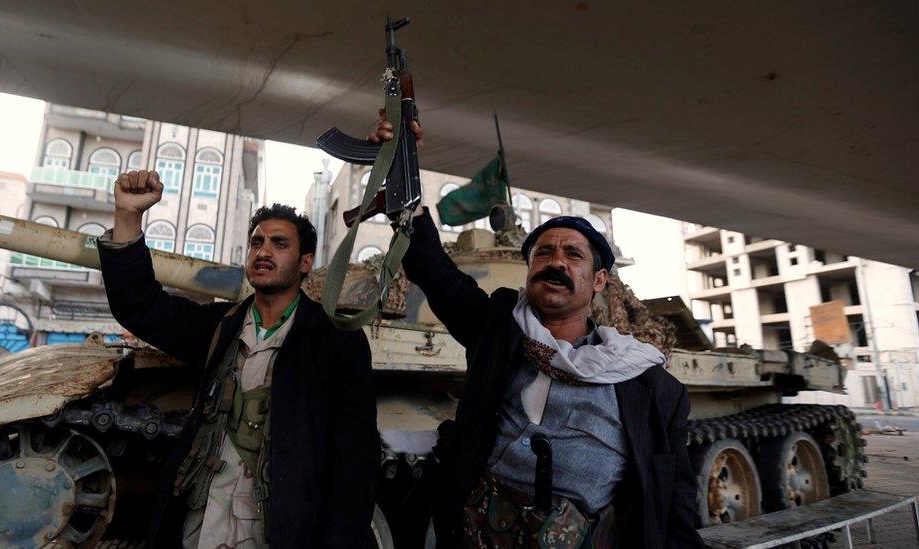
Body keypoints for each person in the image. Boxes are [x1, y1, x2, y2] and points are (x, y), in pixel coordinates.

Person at [372, 118, 704, 549]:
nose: (556, 262)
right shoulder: (498, 331)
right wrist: (402, 169)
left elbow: (672, 501)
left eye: (573, 254)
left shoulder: (649, 385)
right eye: (543, 252)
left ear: (600, 280)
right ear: (529, 270)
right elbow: (436, 273)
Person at [97, 170, 379, 548]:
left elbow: (355, 461)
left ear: (306, 262)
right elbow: (141, 306)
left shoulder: (336, 341)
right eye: (257, 242)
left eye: (279, 244)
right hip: (202, 524)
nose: (263, 251)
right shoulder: (220, 326)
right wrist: (128, 217)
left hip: (276, 532)